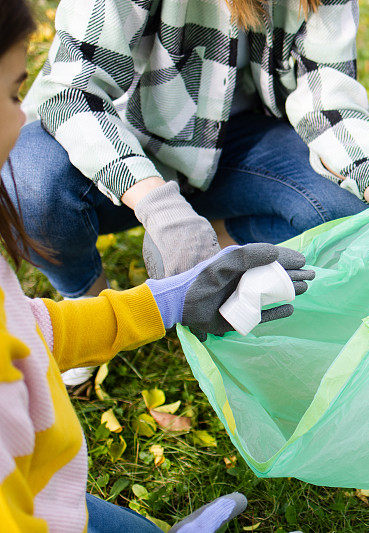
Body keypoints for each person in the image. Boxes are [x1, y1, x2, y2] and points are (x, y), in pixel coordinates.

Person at [4, 0, 369, 385]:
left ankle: (219, 233)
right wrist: (161, 209)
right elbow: (70, 92)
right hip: (128, 141)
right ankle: (88, 303)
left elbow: (327, 97)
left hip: (239, 146)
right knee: (27, 184)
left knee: (345, 214)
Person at [0, 1, 315, 529]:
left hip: (46, 486)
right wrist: (159, 208)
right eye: (12, 92)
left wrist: (169, 300)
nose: (20, 111)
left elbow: (27, 331)